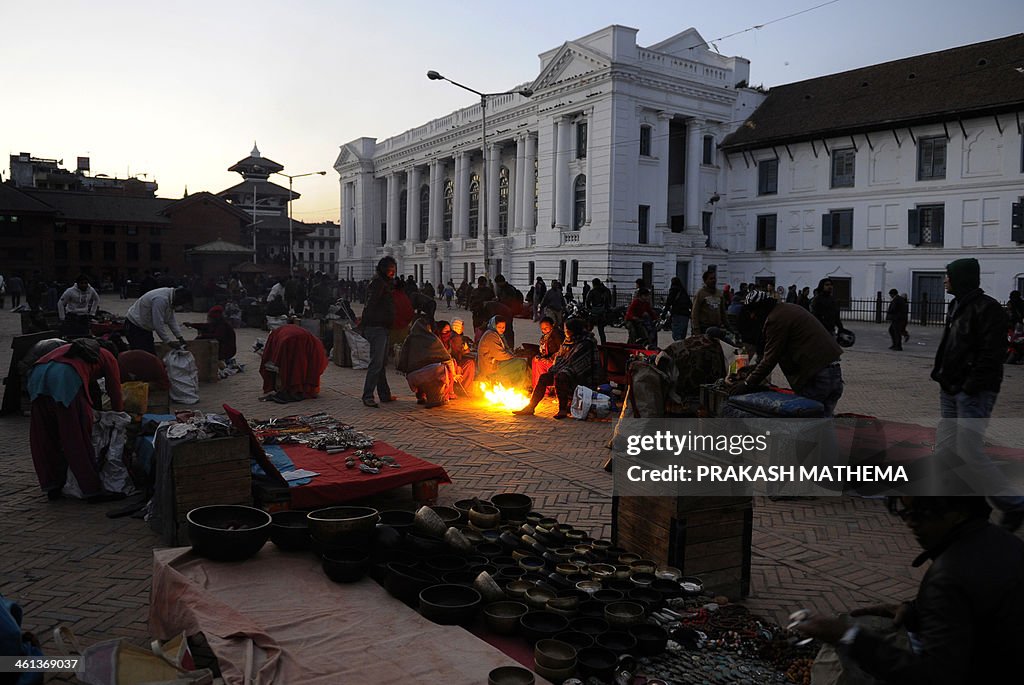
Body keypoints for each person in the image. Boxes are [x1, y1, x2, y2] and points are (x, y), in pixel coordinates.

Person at [795, 496, 1024, 683]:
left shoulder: (948, 577)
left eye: (921, 514)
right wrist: (916, 611)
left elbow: (933, 676)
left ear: (958, 512)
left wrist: (847, 637)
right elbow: (981, 611)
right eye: (906, 513)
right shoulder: (1004, 542)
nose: (911, 523)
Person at [930, 257, 1023, 530]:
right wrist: (942, 373)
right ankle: (954, 503)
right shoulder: (956, 304)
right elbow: (951, 343)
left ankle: (1014, 504)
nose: (945, 280)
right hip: (950, 386)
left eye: (948, 275)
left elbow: (990, 356)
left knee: (970, 451)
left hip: (973, 392)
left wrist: (970, 386)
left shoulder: (988, 309)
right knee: (947, 446)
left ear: (961, 278)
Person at [28, 339, 124, 501]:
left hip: (37, 376)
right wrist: (119, 415)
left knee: (45, 437)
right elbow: (114, 389)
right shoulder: (107, 356)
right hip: (65, 378)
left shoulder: (73, 349)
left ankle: (52, 484)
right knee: (75, 437)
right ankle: (92, 490)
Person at [729, 289, 844, 416]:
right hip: (832, 373)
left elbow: (770, 359)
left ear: (762, 308)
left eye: (753, 311)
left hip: (817, 377)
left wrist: (746, 384)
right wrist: (751, 370)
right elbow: (775, 354)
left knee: (806, 423)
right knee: (823, 421)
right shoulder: (788, 309)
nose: (752, 316)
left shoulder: (776, 319)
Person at [514, 318, 600, 419]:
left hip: (583, 375)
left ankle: (562, 409)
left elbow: (578, 363)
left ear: (573, 330)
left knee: (561, 377)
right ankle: (531, 407)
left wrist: (562, 369)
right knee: (544, 377)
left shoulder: (586, 343)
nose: (565, 332)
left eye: (566, 330)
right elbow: (560, 357)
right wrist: (555, 367)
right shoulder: (568, 341)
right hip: (565, 370)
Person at [259, 322, 329, 402]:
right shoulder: (280, 332)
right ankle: (301, 387)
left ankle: (293, 387)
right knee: (302, 365)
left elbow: (269, 357)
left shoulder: (275, 335)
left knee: (292, 365)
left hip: (289, 340)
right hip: (307, 341)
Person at [361, 256, 397, 407]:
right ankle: (368, 395)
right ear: (383, 269)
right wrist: (365, 323)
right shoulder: (377, 283)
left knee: (382, 362)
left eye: (394, 270)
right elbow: (370, 304)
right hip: (376, 327)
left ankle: (384, 394)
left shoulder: (384, 283)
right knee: (376, 363)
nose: (392, 273)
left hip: (383, 326)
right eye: (390, 270)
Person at [398, 318, 455, 408]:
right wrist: (454, 375)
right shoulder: (432, 339)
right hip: (433, 374)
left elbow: (402, 361)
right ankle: (438, 398)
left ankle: (421, 395)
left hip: (414, 377)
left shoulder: (409, 339)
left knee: (420, 373)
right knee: (446, 368)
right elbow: (447, 359)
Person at [124, 287, 191, 354]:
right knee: (142, 355)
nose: (180, 306)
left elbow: (171, 319)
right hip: (134, 326)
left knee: (150, 354)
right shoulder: (161, 300)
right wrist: (168, 342)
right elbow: (158, 324)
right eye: (181, 303)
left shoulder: (170, 298)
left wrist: (179, 337)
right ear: (179, 298)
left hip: (145, 328)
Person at [477, 316, 529, 390]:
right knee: (521, 363)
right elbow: (499, 355)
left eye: (503, 327)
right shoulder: (491, 336)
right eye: (499, 327)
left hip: (496, 363)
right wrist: (512, 356)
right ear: (494, 325)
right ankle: (517, 388)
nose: (502, 329)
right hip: (491, 367)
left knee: (519, 362)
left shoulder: (496, 334)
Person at [437, 319, 476, 392]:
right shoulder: (454, 339)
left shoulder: (450, 338)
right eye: (446, 331)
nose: (448, 333)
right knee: (469, 364)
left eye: (449, 331)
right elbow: (454, 355)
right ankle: (463, 388)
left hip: (450, 363)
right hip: (442, 366)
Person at [531, 317, 565, 391]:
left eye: (546, 327)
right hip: (548, 357)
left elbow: (561, 351)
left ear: (552, 325)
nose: (544, 330)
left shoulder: (557, 335)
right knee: (534, 360)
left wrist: (549, 359)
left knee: (540, 364)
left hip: (558, 361)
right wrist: (539, 356)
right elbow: (543, 350)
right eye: (542, 328)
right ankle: (536, 387)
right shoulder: (545, 336)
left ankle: (544, 390)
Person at [690, 270, 726, 335]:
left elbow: (723, 312)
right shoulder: (700, 294)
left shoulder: (719, 294)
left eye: (714, 278)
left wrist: (727, 326)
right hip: (704, 327)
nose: (713, 280)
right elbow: (695, 313)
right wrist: (696, 328)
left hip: (716, 327)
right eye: (711, 279)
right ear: (705, 281)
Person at [662, 276, 693, 342]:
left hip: (677, 314)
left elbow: (668, 302)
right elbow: (690, 303)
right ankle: (682, 349)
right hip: (686, 315)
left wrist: (664, 314)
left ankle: (679, 349)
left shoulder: (673, 290)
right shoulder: (683, 291)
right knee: (682, 336)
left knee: (676, 335)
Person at [585, 278, 613, 345]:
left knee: (588, 329)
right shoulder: (604, 291)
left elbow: (587, 301)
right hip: (601, 313)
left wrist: (589, 309)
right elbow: (608, 301)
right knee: (601, 331)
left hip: (593, 313)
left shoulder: (592, 291)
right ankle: (603, 344)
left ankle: (586, 342)